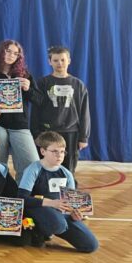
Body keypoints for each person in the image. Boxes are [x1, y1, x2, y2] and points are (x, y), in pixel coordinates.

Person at [18, 131, 98, 253]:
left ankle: (54, 226)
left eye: (62, 152)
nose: (59, 155)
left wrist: (75, 214)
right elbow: (22, 198)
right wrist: (51, 203)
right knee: (58, 224)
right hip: (38, 208)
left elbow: (70, 204)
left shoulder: (66, 173)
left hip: (60, 213)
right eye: (54, 151)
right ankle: (38, 231)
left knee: (91, 245)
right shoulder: (33, 169)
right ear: (43, 151)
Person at [0, 40, 39, 176]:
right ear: (1, 52)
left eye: (15, 53)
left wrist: (28, 89)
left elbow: (39, 99)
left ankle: (23, 188)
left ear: (19, 57)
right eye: (8, 51)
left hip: (19, 124)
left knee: (31, 163)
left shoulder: (25, 75)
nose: (11, 55)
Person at [31, 46, 91, 174]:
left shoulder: (78, 85)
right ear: (49, 62)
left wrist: (83, 137)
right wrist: (35, 134)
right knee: (46, 168)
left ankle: (68, 186)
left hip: (71, 133)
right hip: (47, 132)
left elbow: (84, 112)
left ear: (69, 60)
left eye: (63, 60)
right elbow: (35, 110)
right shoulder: (42, 83)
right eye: (55, 60)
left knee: (68, 169)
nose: (60, 63)